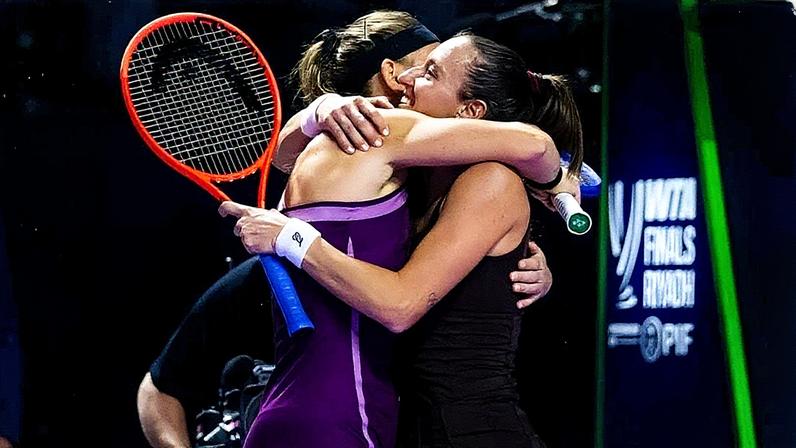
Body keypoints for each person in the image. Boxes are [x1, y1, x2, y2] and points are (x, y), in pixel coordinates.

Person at [136, 14, 554, 448]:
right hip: (347, 421)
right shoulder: (388, 131)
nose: (413, 79)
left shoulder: (399, 181)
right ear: (390, 73)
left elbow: (282, 153)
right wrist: (556, 177)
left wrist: (516, 262)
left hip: (330, 419)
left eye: (429, 74)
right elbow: (539, 147)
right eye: (423, 65)